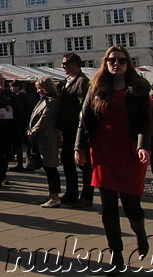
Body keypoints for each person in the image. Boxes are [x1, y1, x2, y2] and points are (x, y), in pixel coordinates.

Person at [75, 46, 151, 272]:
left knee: (131, 206)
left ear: (128, 64)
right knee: (108, 208)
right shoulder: (97, 86)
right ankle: (116, 254)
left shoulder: (138, 89)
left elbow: (144, 122)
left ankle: (140, 232)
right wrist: (78, 147)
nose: (115, 63)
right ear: (105, 62)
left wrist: (143, 147)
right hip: (102, 152)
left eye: (120, 60)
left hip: (129, 152)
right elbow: (85, 117)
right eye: (111, 60)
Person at [58, 52, 93, 207]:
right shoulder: (68, 81)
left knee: (84, 164)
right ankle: (71, 192)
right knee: (66, 160)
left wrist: (77, 124)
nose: (62, 66)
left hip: (77, 129)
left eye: (65, 63)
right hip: (67, 129)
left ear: (75, 64)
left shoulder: (82, 81)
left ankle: (86, 196)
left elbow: (84, 107)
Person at [29, 77, 62, 208]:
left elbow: (45, 119)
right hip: (42, 138)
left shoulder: (51, 102)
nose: (37, 91)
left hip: (47, 138)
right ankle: (51, 195)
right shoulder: (45, 101)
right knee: (48, 168)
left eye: (39, 88)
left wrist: (34, 130)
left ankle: (55, 197)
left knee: (51, 168)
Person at [0, 72, 17, 187]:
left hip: (7, 127)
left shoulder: (9, 93)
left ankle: (1, 175)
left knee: (4, 154)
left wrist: (11, 106)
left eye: (1, 80)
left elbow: (19, 105)